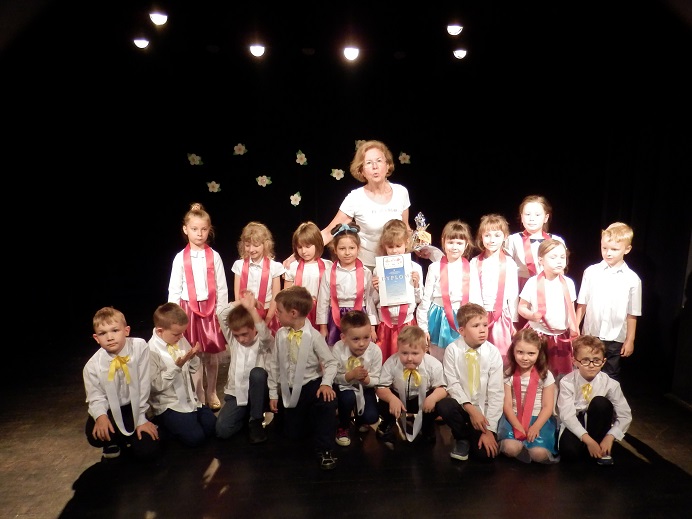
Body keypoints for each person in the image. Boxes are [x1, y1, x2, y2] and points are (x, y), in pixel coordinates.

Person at [282, 140, 412, 271]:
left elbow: (406, 230)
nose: (375, 166)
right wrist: (297, 254)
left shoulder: (401, 192)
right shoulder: (355, 197)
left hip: (396, 265)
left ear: (388, 165)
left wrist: (418, 247)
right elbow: (329, 232)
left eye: (379, 161)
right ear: (361, 171)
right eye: (368, 163)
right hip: (366, 267)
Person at [268, 286, 339, 470]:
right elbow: (274, 364)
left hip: (310, 386)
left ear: (293, 313)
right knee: (292, 435)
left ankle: (325, 449)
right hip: (289, 389)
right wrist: (273, 393)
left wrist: (326, 384)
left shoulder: (314, 336)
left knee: (326, 401)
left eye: (279, 311)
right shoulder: (280, 335)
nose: (276, 314)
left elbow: (331, 362)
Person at [168, 202, 229, 411]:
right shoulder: (179, 258)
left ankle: (211, 391)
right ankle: (199, 393)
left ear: (209, 230)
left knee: (211, 355)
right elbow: (174, 289)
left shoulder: (215, 256)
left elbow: (222, 287)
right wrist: (174, 317)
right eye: (194, 229)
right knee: (193, 355)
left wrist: (221, 314)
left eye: (203, 229)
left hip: (210, 312)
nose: (199, 234)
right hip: (188, 312)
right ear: (186, 230)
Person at [83, 306, 161, 461]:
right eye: (103, 333)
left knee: (147, 450)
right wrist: (101, 416)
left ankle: (130, 435)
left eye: (115, 330)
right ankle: (112, 441)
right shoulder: (92, 366)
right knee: (95, 433)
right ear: (96, 338)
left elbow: (144, 383)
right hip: (111, 409)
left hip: (134, 406)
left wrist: (141, 418)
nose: (109, 337)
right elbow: (96, 396)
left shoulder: (139, 347)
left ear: (126, 331)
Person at [436, 303, 504, 462]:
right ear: (462, 331)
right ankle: (461, 438)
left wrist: (488, 430)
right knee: (444, 405)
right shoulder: (452, 350)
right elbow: (453, 384)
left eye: (485, 325)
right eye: (475, 326)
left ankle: (476, 435)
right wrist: (471, 411)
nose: (482, 330)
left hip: (484, 413)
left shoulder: (493, 353)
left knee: (484, 455)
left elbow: (496, 392)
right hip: (464, 407)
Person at [576, 222, 642, 381]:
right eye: (604, 248)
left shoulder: (632, 279)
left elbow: (632, 313)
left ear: (627, 249)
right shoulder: (591, 272)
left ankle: (605, 398)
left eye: (614, 249)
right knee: (586, 371)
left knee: (610, 375)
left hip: (615, 337)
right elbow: (582, 303)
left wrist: (630, 340)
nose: (608, 253)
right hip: (590, 334)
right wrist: (575, 328)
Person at [147, 302, 217, 448]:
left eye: (182, 333)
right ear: (160, 331)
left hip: (190, 400)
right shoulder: (151, 351)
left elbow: (193, 368)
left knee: (213, 427)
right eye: (176, 334)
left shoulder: (179, 339)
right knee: (195, 439)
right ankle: (164, 426)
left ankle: (186, 423)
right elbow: (155, 386)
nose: (181, 337)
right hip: (169, 405)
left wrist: (193, 357)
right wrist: (176, 367)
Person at [557, 335, 632, 465]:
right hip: (576, 420)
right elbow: (567, 415)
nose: (591, 365)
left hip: (598, 422)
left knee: (600, 402)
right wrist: (588, 440)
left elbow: (625, 415)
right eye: (585, 360)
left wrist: (610, 436)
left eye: (596, 360)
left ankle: (600, 445)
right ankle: (589, 445)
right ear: (575, 361)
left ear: (603, 362)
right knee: (569, 453)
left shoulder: (611, 384)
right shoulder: (567, 382)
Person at [417, 219, 482, 362]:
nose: (454, 247)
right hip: (438, 317)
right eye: (450, 242)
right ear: (443, 242)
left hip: (463, 317)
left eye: (459, 243)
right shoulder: (434, 267)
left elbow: (477, 299)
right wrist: (423, 328)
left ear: (466, 245)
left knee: (461, 359)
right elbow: (426, 299)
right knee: (438, 358)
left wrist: (477, 324)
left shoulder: (471, 268)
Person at [216, 291, 275, 444]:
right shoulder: (234, 341)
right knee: (222, 430)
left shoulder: (263, 342)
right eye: (236, 335)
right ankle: (246, 416)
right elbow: (221, 313)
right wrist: (241, 302)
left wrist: (251, 309)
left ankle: (255, 420)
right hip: (237, 394)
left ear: (254, 327)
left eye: (244, 334)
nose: (241, 339)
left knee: (257, 373)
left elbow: (264, 332)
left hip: (260, 394)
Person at [375, 325, 447, 447]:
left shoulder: (433, 365)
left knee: (438, 401)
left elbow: (443, 388)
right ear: (398, 349)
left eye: (415, 353)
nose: (409, 358)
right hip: (398, 398)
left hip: (421, 399)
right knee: (384, 400)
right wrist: (392, 399)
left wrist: (433, 398)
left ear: (424, 350)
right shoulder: (391, 362)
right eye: (404, 353)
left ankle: (427, 426)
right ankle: (387, 423)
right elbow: (381, 387)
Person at [518, 239, 578, 380]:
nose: (559, 261)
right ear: (541, 260)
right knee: (538, 374)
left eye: (562, 257)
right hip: (538, 336)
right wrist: (532, 315)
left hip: (562, 338)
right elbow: (521, 307)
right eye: (553, 257)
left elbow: (571, 311)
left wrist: (575, 335)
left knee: (561, 376)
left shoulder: (568, 283)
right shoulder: (532, 282)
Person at [497, 328, 559, 464]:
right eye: (520, 352)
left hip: (539, 418)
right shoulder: (508, 374)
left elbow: (547, 406)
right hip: (514, 417)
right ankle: (520, 448)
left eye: (531, 353)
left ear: (539, 353)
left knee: (539, 454)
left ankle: (530, 448)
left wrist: (536, 426)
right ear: (513, 351)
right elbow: (507, 405)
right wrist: (517, 425)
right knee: (510, 448)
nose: (525, 358)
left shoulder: (546, 375)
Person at [504, 195, 566, 321]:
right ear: (521, 217)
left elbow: (561, 271)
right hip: (520, 289)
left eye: (537, 215)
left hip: (548, 287)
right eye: (527, 214)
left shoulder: (556, 240)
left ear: (546, 218)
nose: (532, 219)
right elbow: (506, 270)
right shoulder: (513, 240)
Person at [470, 213, 520, 367]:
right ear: (481, 237)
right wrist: (476, 315)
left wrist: (514, 322)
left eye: (497, 235)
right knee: (479, 356)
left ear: (505, 237)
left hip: (501, 317)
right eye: (487, 235)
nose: (492, 240)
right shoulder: (474, 262)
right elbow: (473, 291)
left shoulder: (509, 263)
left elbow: (513, 294)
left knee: (502, 356)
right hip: (480, 316)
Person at [315, 223, 376, 347]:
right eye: (342, 248)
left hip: (360, 315)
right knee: (336, 350)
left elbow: (370, 300)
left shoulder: (366, 272)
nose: (347, 253)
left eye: (351, 248)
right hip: (336, 316)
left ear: (358, 248)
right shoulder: (329, 273)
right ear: (335, 250)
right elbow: (323, 302)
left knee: (359, 348)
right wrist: (323, 327)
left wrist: (373, 327)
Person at [371, 219, 423, 360]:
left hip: (407, 323)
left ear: (406, 243)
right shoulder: (378, 269)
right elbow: (373, 301)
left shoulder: (415, 268)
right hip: (385, 325)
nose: (394, 251)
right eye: (390, 246)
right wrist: (377, 289)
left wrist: (416, 285)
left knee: (407, 359)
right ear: (384, 246)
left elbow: (419, 299)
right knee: (384, 361)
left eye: (398, 246)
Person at [332, 310, 383, 447]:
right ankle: (343, 426)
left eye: (366, 337)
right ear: (344, 338)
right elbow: (334, 377)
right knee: (347, 398)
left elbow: (377, 379)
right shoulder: (338, 349)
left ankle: (361, 420)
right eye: (356, 339)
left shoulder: (375, 351)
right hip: (345, 387)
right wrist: (351, 376)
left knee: (372, 417)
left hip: (365, 388)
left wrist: (365, 379)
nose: (362, 344)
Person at [231, 221, 286, 336]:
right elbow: (237, 295)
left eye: (256, 245)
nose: (251, 249)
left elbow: (275, 297)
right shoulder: (239, 265)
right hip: (245, 314)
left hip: (268, 314)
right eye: (247, 245)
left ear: (265, 244)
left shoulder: (275, 267)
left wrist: (267, 320)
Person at [283, 221, 333, 329]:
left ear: (317, 243)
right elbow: (286, 294)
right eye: (300, 247)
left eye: (308, 246)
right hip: (298, 311)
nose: (304, 251)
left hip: (322, 311)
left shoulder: (328, 265)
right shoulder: (293, 267)